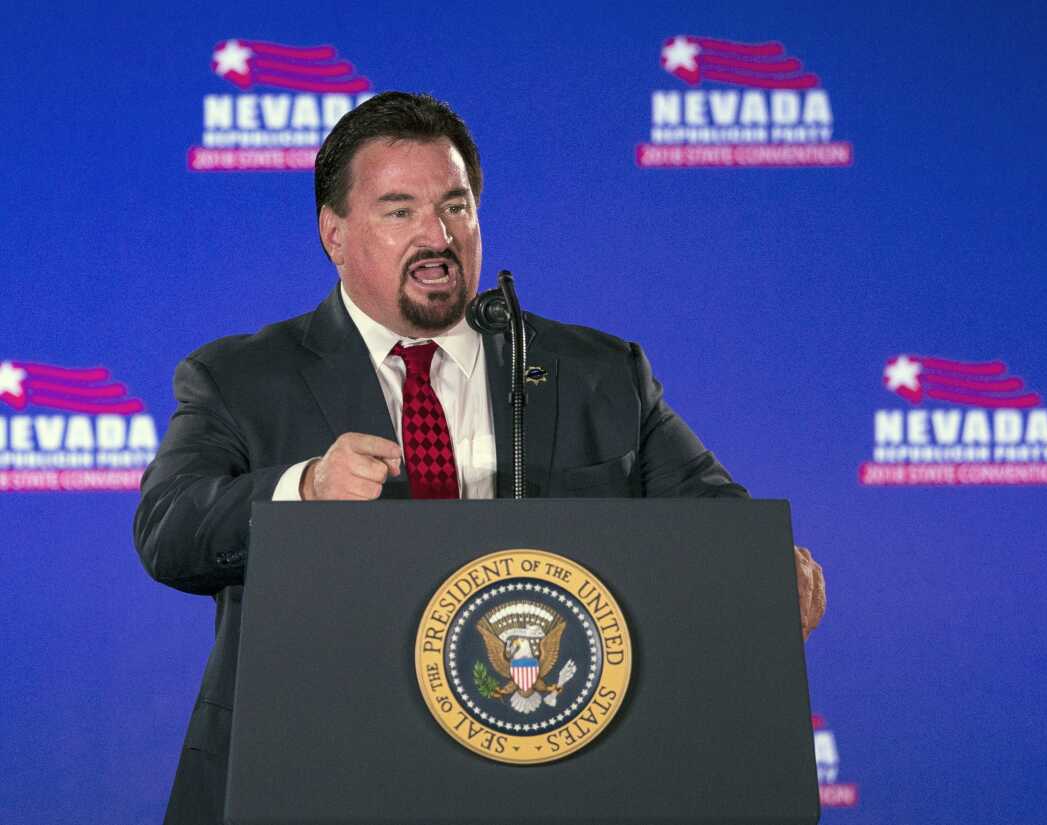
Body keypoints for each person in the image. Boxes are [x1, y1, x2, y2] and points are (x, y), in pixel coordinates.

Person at [134, 91, 826, 825]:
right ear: (334, 233)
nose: (436, 235)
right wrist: (303, 489)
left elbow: (714, 515)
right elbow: (168, 528)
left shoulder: (598, 371)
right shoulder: (241, 378)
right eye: (399, 210)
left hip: (549, 782)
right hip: (317, 775)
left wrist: (764, 568)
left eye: (456, 207)